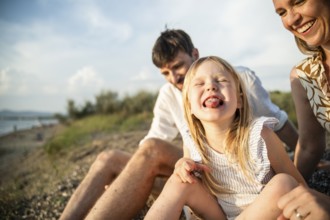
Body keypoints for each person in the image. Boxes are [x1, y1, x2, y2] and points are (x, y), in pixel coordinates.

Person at [60, 29, 298, 220]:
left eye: (177, 66)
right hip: (201, 168)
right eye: (165, 73)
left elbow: (279, 121)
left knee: (153, 148)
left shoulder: (237, 80)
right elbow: (149, 146)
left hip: (248, 170)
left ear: (195, 54)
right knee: (107, 159)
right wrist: (126, 182)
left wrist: (305, 154)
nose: (173, 78)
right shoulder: (169, 94)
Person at [145, 56, 306, 220]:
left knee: (284, 182)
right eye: (200, 84)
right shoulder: (192, 140)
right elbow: (192, 180)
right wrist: (181, 166)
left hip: (262, 214)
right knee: (180, 181)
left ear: (239, 101)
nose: (211, 87)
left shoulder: (260, 136)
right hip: (218, 215)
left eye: (221, 81)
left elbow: (298, 185)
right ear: (189, 106)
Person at [272, 0, 330, 181]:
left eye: (299, 2)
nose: (291, 19)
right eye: (282, 12)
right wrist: (295, 189)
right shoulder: (304, 76)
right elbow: (309, 147)